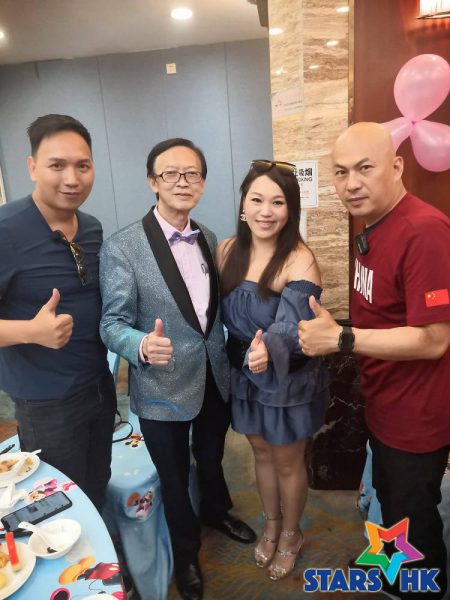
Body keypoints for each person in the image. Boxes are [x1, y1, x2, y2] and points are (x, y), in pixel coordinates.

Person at [298, 122, 450, 599]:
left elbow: (435, 339)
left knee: (414, 515)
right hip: (384, 399)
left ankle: (421, 588)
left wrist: (342, 338)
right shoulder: (375, 224)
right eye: (341, 172)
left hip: (416, 412)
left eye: (365, 168)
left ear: (397, 166)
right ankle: (391, 569)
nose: (352, 183)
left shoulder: (423, 231)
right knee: (389, 499)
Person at [99, 138, 255, 600]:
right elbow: (111, 323)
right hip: (160, 385)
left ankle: (216, 511)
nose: (182, 182)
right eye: (171, 173)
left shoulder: (209, 237)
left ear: (203, 183)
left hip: (211, 375)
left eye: (193, 174)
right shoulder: (123, 246)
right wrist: (141, 344)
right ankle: (186, 554)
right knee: (172, 476)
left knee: (211, 455)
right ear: (153, 182)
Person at [216, 160, 329, 581]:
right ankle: (272, 525)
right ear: (243, 205)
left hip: (286, 377)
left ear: (290, 209)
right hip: (243, 374)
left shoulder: (300, 259)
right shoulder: (227, 250)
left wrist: (268, 349)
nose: (266, 211)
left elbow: (293, 326)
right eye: (257, 199)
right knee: (260, 452)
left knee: (286, 459)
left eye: (278, 202)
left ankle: (292, 535)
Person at [0, 114, 117, 512]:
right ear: (32, 167)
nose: (72, 178)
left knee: (98, 481)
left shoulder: (92, 228)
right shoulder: (6, 230)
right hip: (46, 401)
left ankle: (103, 553)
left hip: (99, 384)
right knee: (61, 500)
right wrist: (30, 332)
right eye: (57, 165)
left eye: (82, 166)